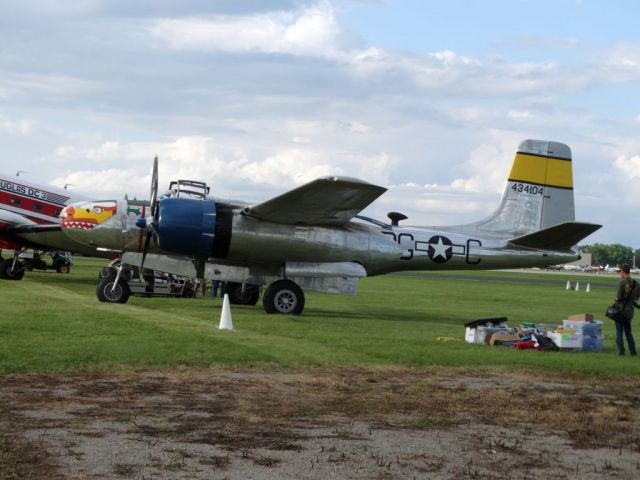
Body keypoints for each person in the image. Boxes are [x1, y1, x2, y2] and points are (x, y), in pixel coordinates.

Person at [612, 264, 640, 356]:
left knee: (619, 333)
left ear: (623, 271)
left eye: (620, 271)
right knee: (628, 333)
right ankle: (633, 353)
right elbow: (637, 297)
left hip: (620, 311)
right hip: (629, 311)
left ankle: (621, 353)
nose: (619, 273)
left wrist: (615, 299)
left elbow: (618, 298)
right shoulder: (635, 283)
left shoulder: (622, 282)